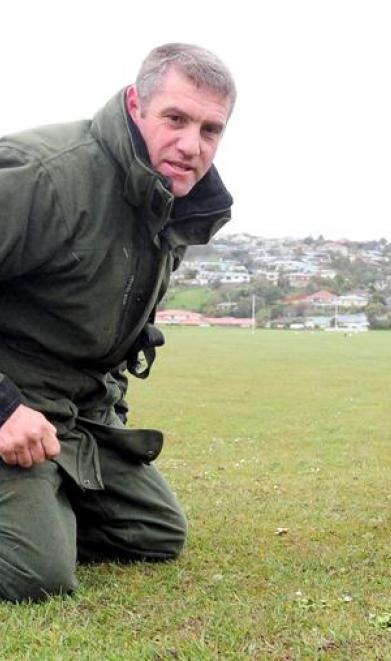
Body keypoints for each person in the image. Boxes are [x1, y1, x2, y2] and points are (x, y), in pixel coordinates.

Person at [0, 43, 236, 602]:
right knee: (36, 575)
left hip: (73, 409)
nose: (190, 145)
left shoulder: (166, 200)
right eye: (175, 119)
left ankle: (39, 506)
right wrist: (3, 407)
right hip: (15, 398)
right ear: (136, 104)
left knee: (155, 534)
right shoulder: (43, 177)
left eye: (210, 130)